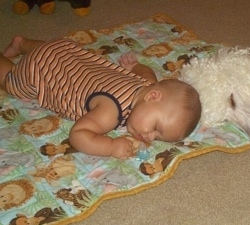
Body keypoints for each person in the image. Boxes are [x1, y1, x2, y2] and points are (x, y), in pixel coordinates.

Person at [0, 36, 201, 159]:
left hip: (63, 50)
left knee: (49, 51)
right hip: (42, 70)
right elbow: (78, 134)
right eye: (156, 128)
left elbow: (148, 74)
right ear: (154, 96)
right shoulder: (111, 110)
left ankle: (23, 43)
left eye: (158, 137)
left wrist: (134, 67)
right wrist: (110, 146)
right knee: (12, 84)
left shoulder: (147, 86)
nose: (150, 137)